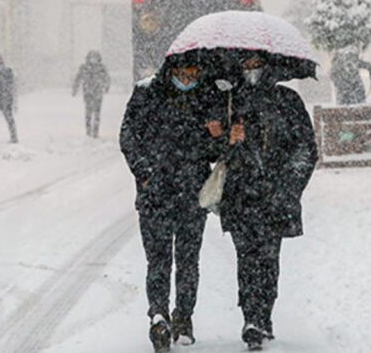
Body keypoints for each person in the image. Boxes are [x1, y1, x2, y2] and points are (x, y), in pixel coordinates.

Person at [210, 50, 317, 351]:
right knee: (247, 258)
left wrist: (289, 185)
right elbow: (213, 150)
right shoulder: (230, 102)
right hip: (241, 195)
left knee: (269, 260)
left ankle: (264, 314)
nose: (252, 70)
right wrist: (227, 139)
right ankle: (251, 318)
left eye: (257, 65)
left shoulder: (287, 101)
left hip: (275, 196)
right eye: (247, 65)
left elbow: (305, 148)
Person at [120, 52, 221, 353]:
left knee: (188, 261)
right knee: (159, 260)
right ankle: (159, 315)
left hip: (192, 193)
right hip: (156, 194)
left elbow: (215, 151)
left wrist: (216, 136)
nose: (188, 78)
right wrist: (144, 172)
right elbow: (128, 135)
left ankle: (183, 317)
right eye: (184, 72)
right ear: (172, 68)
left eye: (194, 73)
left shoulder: (207, 95)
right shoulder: (147, 93)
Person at [72, 50, 111, 138]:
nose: (93, 60)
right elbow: (78, 78)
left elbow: (107, 78)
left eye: (95, 57)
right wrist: (75, 88)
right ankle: (88, 130)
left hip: (98, 92)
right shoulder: (84, 67)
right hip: (88, 92)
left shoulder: (101, 68)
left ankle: (95, 131)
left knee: (97, 112)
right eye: (92, 57)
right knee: (88, 111)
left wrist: (106, 87)